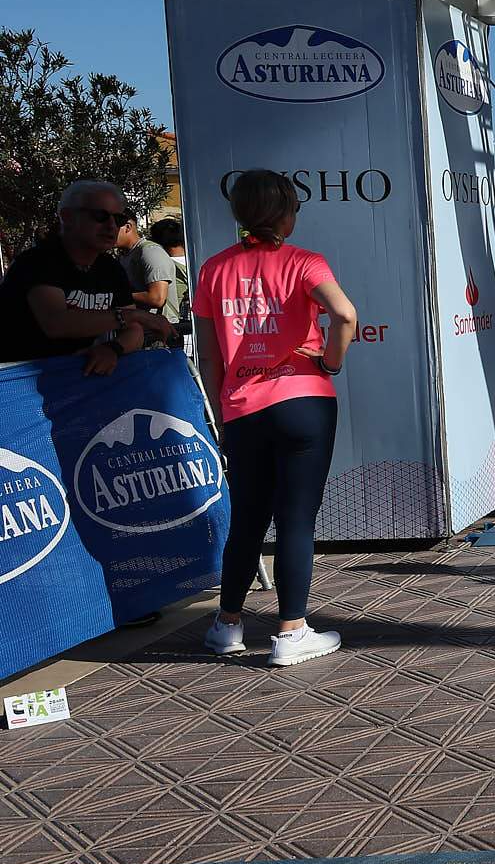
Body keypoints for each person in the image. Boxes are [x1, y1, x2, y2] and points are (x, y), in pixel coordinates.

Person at [192, 169, 357, 668]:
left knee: (246, 519)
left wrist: (223, 409)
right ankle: (290, 632)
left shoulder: (212, 269)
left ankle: (227, 625)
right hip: (304, 401)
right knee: (296, 520)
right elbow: (346, 315)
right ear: (286, 214)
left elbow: (209, 354)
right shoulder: (305, 261)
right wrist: (329, 362)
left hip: (242, 405)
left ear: (239, 213)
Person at [0, 180, 164, 368]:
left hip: (75, 379)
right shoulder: (37, 262)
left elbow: (134, 331)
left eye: (118, 219)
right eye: (100, 216)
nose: (111, 226)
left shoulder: (111, 269)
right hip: (17, 380)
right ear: (67, 216)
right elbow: (56, 323)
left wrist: (113, 348)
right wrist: (132, 316)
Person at [119, 213, 184, 347]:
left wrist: (119, 295)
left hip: (158, 336)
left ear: (128, 227)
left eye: (114, 225)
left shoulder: (150, 251)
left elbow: (157, 298)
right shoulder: (126, 255)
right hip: (139, 333)